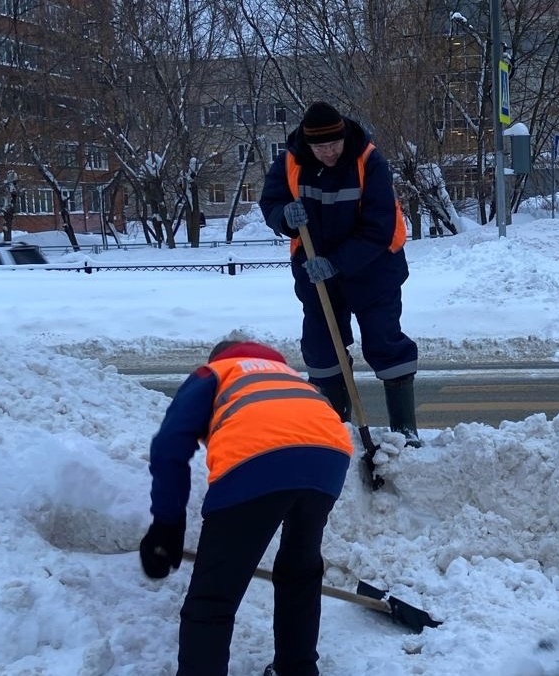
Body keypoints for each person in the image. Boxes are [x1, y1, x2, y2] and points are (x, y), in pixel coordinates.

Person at [139, 340, 354, 676]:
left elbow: (170, 445)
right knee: (299, 571)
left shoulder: (214, 372)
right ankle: (296, 668)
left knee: (214, 597)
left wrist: (167, 525)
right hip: (329, 458)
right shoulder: (291, 377)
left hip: (255, 461)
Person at [258, 101, 421, 446]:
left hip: (374, 269)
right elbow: (270, 202)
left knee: (385, 342)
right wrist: (284, 217)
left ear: (344, 136)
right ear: (308, 143)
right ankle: (337, 433)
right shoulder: (290, 159)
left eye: (333, 144)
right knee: (321, 350)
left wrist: (337, 262)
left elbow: (379, 228)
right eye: (320, 147)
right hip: (315, 272)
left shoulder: (369, 160)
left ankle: (405, 433)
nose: (328, 152)